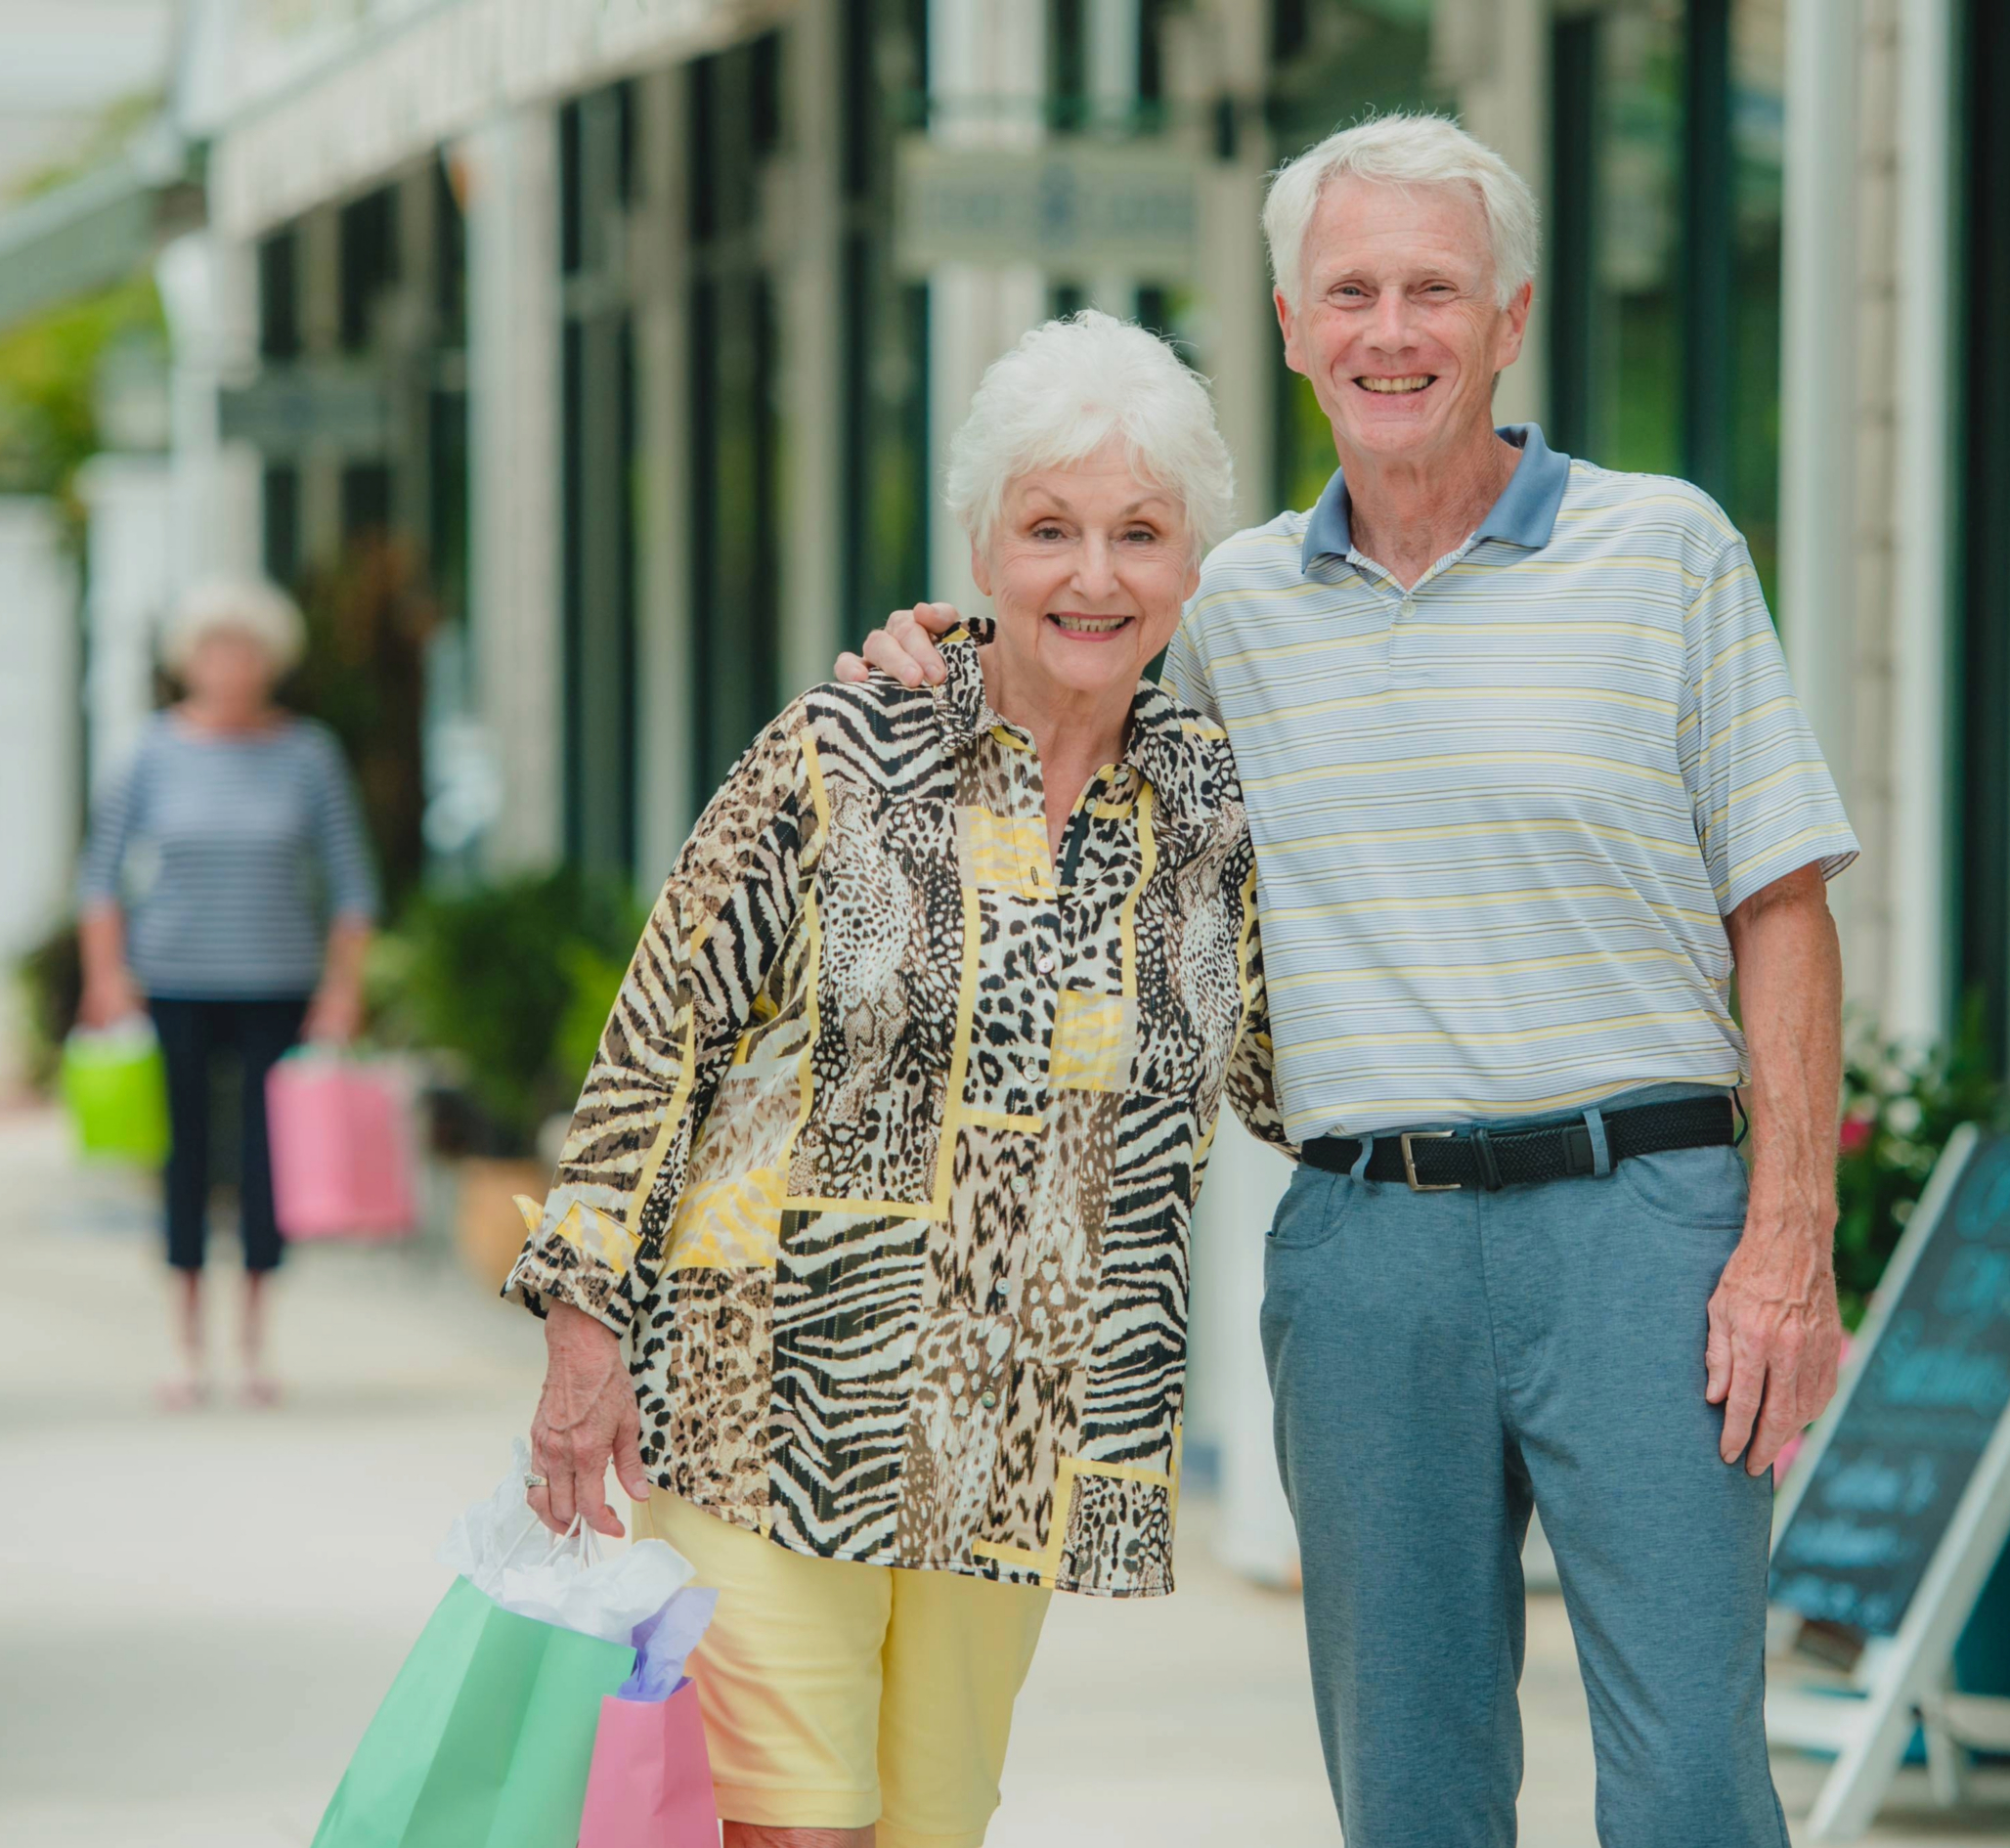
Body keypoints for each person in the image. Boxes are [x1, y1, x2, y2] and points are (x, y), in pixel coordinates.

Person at [843, 114, 1858, 1848]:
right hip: (1364, 1244)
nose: (1393, 330)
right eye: (1352, 291)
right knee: (1409, 1788)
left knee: (1692, 1778)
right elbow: (1069, 679)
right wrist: (933, 655)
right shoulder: (1227, 606)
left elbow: (1784, 907)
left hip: (1649, 1232)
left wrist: (1787, 1241)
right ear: (1293, 323)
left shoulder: (1667, 553)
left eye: (1434, 290)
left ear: (1511, 317)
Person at [508, 312, 1288, 1848]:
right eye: (1049, 528)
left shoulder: (1209, 800)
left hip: (1024, 1407)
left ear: (1192, 563)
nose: (1093, 575)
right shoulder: (846, 744)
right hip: (772, 1379)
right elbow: (661, 1037)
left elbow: (1284, 1066)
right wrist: (583, 1327)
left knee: (932, 1826)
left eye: (1139, 533)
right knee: (794, 1825)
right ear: (983, 545)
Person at [77, 579, 378, 1408]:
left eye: (245, 650)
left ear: (271, 662)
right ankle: (185, 1340)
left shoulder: (308, 754)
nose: (229, 666)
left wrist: (342, 988)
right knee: (182, 1158)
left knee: (265, 1164)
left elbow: (354, 885)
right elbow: (99, 878)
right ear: (188, 663)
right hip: (170, 981)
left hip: (278, 981)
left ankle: (252, 1342)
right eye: (213, 650)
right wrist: (106, 977)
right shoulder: (149, 752)